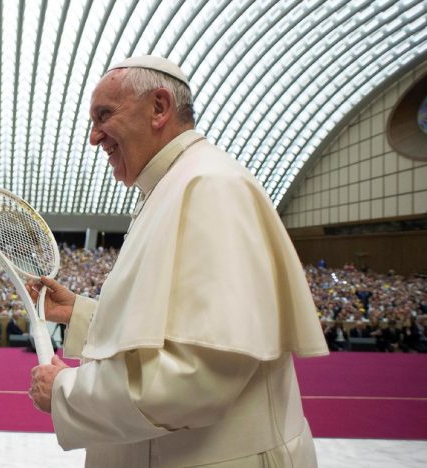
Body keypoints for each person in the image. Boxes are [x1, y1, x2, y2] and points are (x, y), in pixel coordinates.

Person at [27, 55, 328, 467]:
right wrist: (80, 315)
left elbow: (197, 375)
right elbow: (172, 327)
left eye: (104, 115)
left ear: (159, 108)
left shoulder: (210, 187)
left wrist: (67, 390)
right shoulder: (173, 186)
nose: (93, 137)